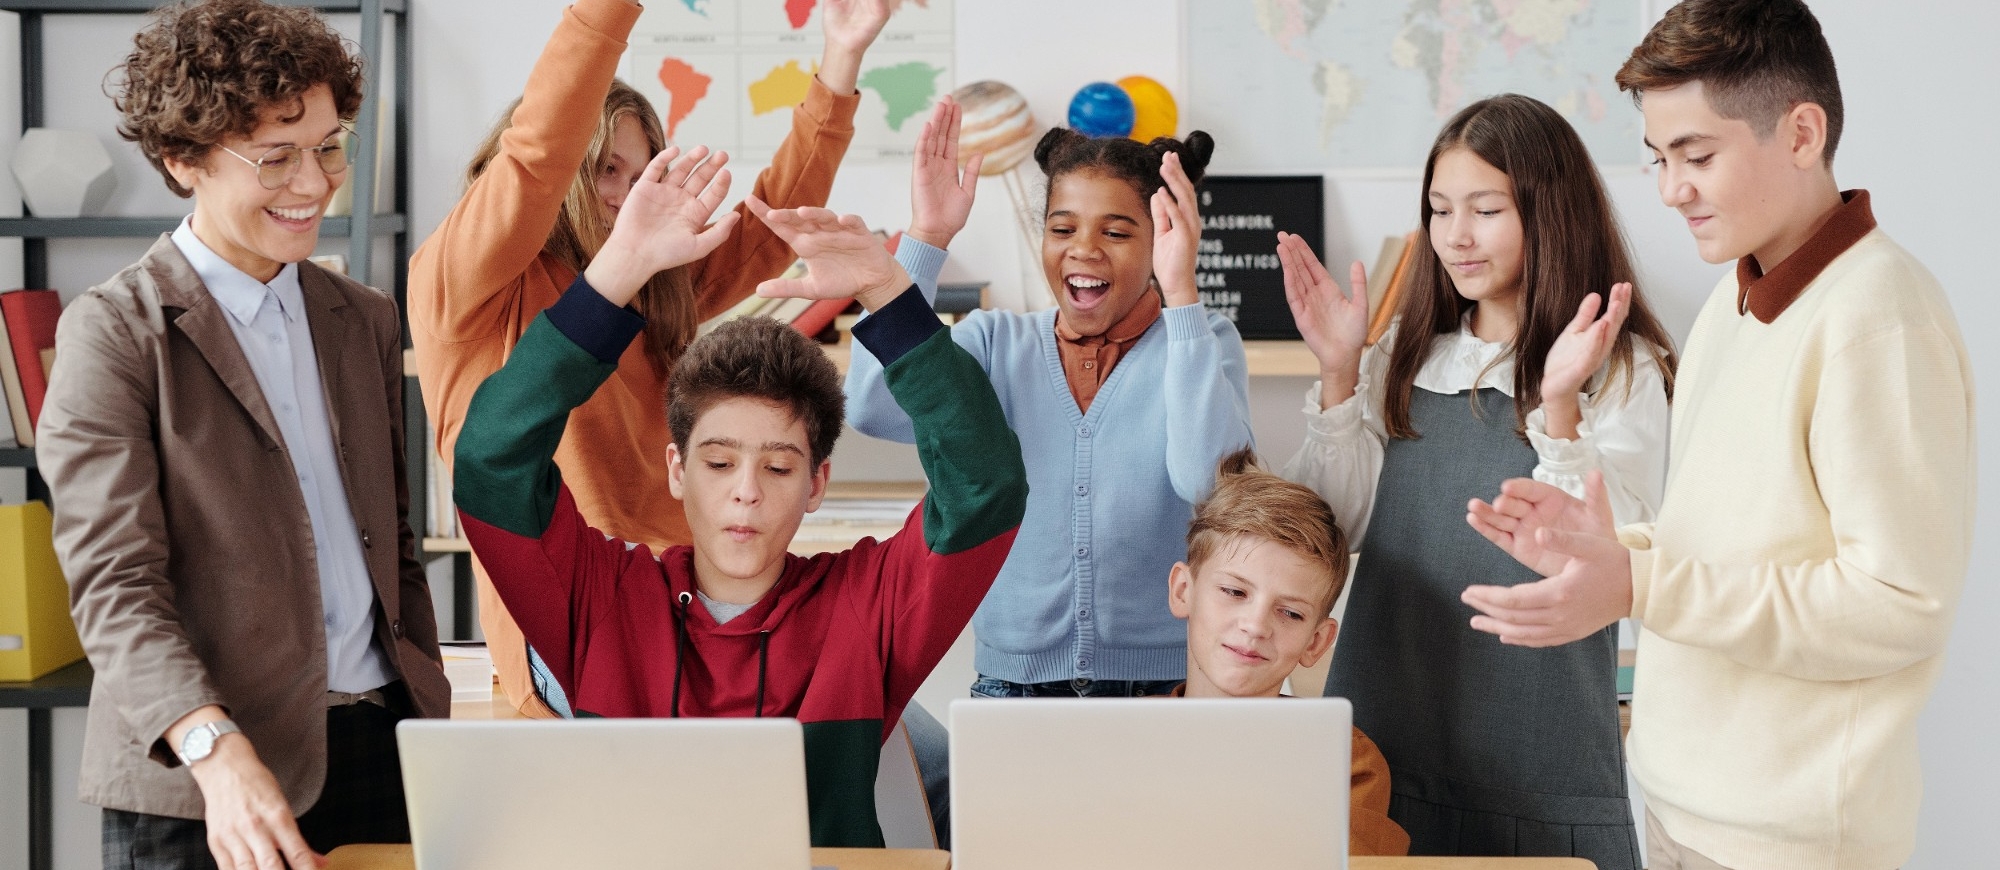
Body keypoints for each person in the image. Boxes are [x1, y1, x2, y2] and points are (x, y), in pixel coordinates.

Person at [1463, 3, 1975, 868]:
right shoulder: (1737, 305)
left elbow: (1897, 607)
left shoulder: (1880, 319)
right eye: (1661, 159)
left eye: (1698, 156)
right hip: (1682, 806)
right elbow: (1729, 540)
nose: (1671, 189)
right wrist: (1611, 550)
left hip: (1790, 840)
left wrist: (1643, 584)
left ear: (1803, 132)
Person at [450, 140, 1028, 847]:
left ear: (818, 483)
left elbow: (986, 485)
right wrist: (618, 272)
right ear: (676, 470)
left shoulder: (866, 607)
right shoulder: (603, 599)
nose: (746, 494)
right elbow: (490, 460)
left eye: (779, 468)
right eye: (719, 464)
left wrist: (890, 295)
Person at [36, 1, 450, 867]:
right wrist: (213, 752)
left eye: (330, 146)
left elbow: (390, 542)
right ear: (184, 160)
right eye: (275, 158)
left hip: (382, 750)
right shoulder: (114, 333)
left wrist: (426, 699)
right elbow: (115, 589)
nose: (314, 184)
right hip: (208, 780)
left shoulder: (362, 319)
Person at [408, 0, 891, 718]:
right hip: (576, 621)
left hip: (689, 601)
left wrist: (841, 59)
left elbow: (771, 225)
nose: (622, 198)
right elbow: (536, 155)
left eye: (640, 177)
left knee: (914, 755)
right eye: (606, 169)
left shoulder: (653, 283)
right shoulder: (477, 276)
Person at [1277, 94, 1679, 868]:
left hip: (1540, 750)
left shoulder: (1620, 368)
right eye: (1439, 208)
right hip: (1384, 734)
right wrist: (1337, 373)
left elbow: (1616, 550)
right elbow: (1338, 522)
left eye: (1486, 209)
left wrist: (1558, 403)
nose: (1455, 235)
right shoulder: (1405, 351)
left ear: (1549, 211)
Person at [847, 123, 1252, 700]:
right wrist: (926, 238)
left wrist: (1181, 289)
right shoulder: (992, 344)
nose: (1083, 248)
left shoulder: (1202, 340)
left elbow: (1206, 481)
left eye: (1116, 231)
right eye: (1062, 228)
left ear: (1162, 240)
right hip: (1013, 690)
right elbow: (872, 405)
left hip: (1165, 687)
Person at [1164, 448, 1410, 857]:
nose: (1256, 626)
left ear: (1316, 642)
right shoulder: (1115, 740)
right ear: (1183, 591)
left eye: (1291, 612)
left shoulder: (1345, 761)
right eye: (1235, 591)